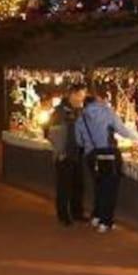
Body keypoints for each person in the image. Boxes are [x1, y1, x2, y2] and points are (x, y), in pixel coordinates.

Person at [75, 93, 138, 233]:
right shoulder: (106, 112)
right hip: (108, 155)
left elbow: (79, 140)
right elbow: (122, 130)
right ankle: (106, 221)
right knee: (109, 189)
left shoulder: (81, 117)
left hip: (91, 155)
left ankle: (97, 216)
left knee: (98, 186)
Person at [47, 84, 87, 226]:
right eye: (81, 95)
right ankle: (64, 215)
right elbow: (51, 132)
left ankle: (77, 212)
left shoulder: (80, 111)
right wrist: (60, 151)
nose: (82, 98)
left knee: (78, 184)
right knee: (64, 186)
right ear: (73, 94)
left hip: (78, 153)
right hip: (64, 154)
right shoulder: (60, 112)